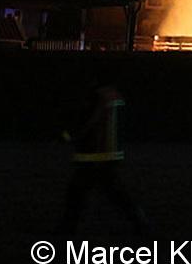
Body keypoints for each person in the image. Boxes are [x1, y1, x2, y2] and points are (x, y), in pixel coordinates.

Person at [59, 70, 148, 233]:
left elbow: (90, 121)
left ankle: (68, 227)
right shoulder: (115, 95)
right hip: (111, 153)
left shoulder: (97, 96)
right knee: (115, 193)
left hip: (94, 153)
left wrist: (70, 135)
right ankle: (140, 223)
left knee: (77, 192)